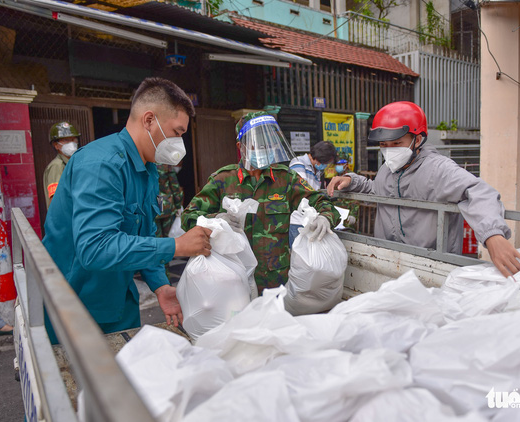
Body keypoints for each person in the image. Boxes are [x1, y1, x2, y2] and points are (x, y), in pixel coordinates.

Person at [43, 77, 212, 341]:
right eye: (177, 132)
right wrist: (176, 246)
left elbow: (142, 234)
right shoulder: (101, 165)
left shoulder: (148, 169)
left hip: (120, 299)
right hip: (77, 310)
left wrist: (159, 285)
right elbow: (95, 248)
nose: (180, 143)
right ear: (149, 120)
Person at [327, 101, 520, 278]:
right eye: (383, 145)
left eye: (397, 143)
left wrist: (493, 235)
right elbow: (378, 191)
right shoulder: (386, 169)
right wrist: (351, 181)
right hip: (390, 262)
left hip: (431, 267)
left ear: (418, 139)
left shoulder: (439, 169)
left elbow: (477, 191)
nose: (389, 150)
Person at [181, 112, 340, 293]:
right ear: (241, 147)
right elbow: (188, 217)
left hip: (277, 283)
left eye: (268, 144)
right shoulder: (223, 180)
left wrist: (325, 217)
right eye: (258, 145)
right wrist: (215, 219)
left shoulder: (285, 179)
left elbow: (321, 201)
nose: (265, 150)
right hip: (234, 281)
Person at [43, 121, 80, 208]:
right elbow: (56, 199)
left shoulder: (70, 163)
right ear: (56, 145)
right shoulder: (57, 166)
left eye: (73, 139)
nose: (71, 143)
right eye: (66, 140)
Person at [155, 164, 184, 238]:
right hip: (166, 204)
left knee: (157, 237)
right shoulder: (166, 164)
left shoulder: (147, 163)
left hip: (153, 204)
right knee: (169, 235)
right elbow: (175, 186)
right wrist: (178, 206)